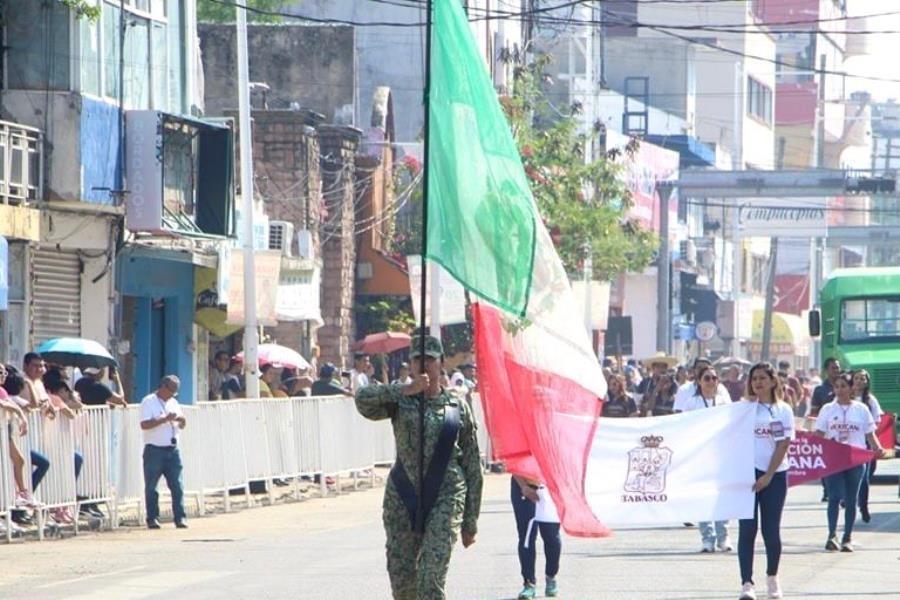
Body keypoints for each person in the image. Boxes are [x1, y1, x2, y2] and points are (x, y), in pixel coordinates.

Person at [355, 335, 482, 600]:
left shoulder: (457, 406)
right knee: (403, 583)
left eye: (430, 359)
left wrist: (470, 519)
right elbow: (363, 401)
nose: (424, 365)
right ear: (410, 364)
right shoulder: (400, 400)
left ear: (441, 363)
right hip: (404, 493)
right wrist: (404, 389)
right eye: (417, 359)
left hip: (446, 493)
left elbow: (471, 462)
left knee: (429, 578)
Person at [737, 362, 794, 600]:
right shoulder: (744, 409)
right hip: (746, 475)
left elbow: (783, 444)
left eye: (762, 378)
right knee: (747, 530)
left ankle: (772, 577)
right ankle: (747, 583)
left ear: (772, 381)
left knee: (771, 530)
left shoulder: (782, 410)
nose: (757, 383)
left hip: (775, 475)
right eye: (754, 379)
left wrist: (768, 475)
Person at [813, 372, 885, 552]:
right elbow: (819, 434)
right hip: (833, 458)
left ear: (851, 387)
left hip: (855, 459)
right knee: (834, 497)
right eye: (836, 386)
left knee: (852, 499)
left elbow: (870, 433)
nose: (839, 390)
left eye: (843, 386)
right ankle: (832, 535)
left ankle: (847, 537)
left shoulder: (861, 409)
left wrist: (878, 448)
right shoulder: (828, 409)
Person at [678, 364, 732, 553]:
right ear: (699, 382)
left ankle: (723, 537)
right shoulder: (691, 403)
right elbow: (683, 427)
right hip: (699, 456)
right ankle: (707, 538)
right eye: (707, 378)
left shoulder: (724, 400)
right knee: (702, 497)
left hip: (721, 455)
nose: (711, 382)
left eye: (714, 378)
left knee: (722, 497)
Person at [139, 375, 188, 529]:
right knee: (152, 486)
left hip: (172, 449)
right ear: (163, 387)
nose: (173, 394)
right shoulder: (149, 401)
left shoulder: (174, 402)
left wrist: (181, 421)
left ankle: (180, 517)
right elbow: (144, 424)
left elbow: (182, 425)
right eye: (171, 390)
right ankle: (152, 518)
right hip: (155, 449)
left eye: (175, 391)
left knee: (177, 485)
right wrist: (164, 419)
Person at [511, 475, 561, 599]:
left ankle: (551, 576)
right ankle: (529, 583)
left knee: (552, 537)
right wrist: (523, 486)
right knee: (527, 537)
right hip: (524, 486)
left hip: (550, 486)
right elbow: (511, 459)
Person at [851, 369, 883, 524]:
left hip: (865, 444)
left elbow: (877, 421)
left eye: (862, 378)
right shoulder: (846, 397)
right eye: (856, 378)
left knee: (864, 478)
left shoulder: (870, 400)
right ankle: (849, 499)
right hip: (847, 444)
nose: (859, 381)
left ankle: (863, 505)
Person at [810, 357, 841, 502]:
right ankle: (827, 490)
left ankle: (841, 493)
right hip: (825, 433)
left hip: (843, 433)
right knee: (825, 463)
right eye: (833, 368)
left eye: (837, 367)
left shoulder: (846, 386)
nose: (836, 370)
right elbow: (814, 411)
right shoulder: (820, 390)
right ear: (826, 370)